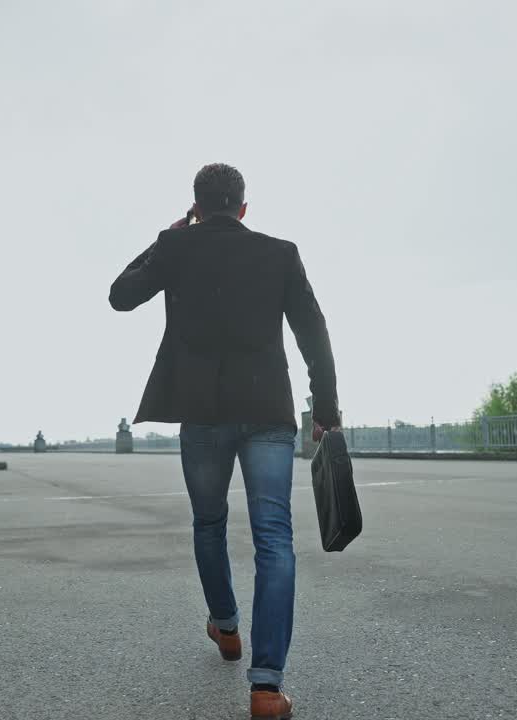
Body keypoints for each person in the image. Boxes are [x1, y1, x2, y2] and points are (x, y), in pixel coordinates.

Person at [109, 163, 340, 720]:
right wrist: (326, 410)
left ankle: (227, 627)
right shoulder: (279, 252)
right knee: (274, 538)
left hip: (205, 414)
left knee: (209, 522)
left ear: (196, 205)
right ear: (243, 207)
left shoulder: (177, 246)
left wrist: (171, 234)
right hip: (267, 411)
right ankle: (266, 688)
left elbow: (120, 295)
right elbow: (314, 329)